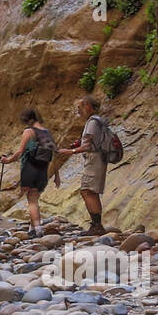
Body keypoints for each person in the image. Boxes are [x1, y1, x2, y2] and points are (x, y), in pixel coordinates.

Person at [0, 108, 60, 234]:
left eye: (25, 122)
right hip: (43, 168)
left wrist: (7, 160)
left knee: (31, 199)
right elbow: (54, 154)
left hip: (30, 167)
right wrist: (57, 175)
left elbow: (20, 152)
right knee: (35, 197)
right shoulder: (46, 132)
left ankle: (38, 229)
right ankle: (32, 228)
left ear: (29, 120)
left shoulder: (29, 131)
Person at [61, 95, 108, 236]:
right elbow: (91, 141)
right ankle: (97, 225)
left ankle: (97, 226)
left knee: (87, 191)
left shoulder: (93, 122)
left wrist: (71, 151)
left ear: (89, 106)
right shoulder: (96, 121)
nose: (79, 110)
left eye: (81, 106)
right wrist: (78, 144)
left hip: (94, 159)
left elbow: (87, 145)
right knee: (90, 191)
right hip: (97, 158)